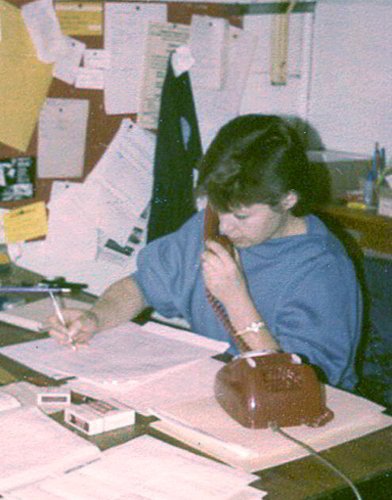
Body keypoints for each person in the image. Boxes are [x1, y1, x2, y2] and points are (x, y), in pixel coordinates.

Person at [48, 114, 362, 391]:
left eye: (240, 216)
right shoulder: (211, 224)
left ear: (287, 200)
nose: (223, 228)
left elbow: (294, 384)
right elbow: (142, 285)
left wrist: (236, 300)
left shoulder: (322, 269)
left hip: (302, 414)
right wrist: (95, 318)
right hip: (220, 391)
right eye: (218, 208)